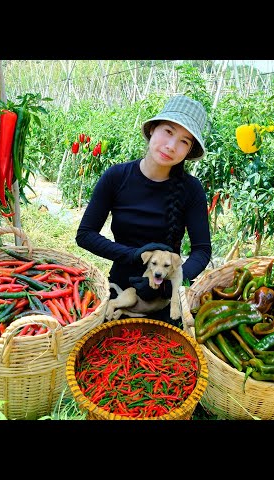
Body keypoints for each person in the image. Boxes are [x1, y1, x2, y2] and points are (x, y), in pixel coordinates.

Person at [75, 95, 212, 327]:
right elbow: (85, 234)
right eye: (168, 131)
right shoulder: (116, 177)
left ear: (188, 151)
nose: (171, 146)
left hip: (166, 302)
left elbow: (202, 250)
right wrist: (133, 255)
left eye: (184, 141)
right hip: (120, 292)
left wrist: (170, 285)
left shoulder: (191, 189)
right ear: (152, 129)